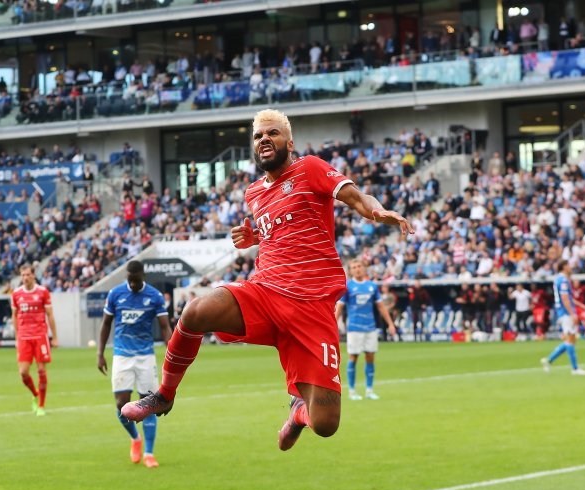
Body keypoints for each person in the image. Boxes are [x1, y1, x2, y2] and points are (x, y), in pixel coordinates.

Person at [121, 108, 412, 451]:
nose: (264, 140)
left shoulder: (310, 168)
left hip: (312, 307)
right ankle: (165, 395)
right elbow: (283, 228)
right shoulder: (254, 193)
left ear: (290, 142)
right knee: (196, 310)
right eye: (258, 136)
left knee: (326, 424)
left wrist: (375, 211)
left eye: (272, 133)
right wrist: (254, 236)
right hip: (266, 293)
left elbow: (355, 197)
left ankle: (299, 412)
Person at [97, 261, 173, 468]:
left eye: (136, 280)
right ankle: (135, 439)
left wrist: (172, 349)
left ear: (143, 277)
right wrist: (100, 353)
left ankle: (149, 452)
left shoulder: (155, 296)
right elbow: (106, 324)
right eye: (130, 279)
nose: (133, 283)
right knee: (122, 406)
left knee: (147, 404)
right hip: (121, 355)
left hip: (145, 356)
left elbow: (165, 326)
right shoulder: (115, 294)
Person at [335, 259, 397, 401]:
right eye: (354, 267)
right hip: (354, 328)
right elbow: (340, 308)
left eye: (359, 266)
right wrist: (333, 325)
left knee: (370, 357)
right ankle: (352, 391)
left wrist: (390, 324)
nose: (357, 269)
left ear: (364, 268)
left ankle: (369, 390)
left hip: (370, 327)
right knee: (353, 357)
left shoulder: (372, 286)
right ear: (350, 271)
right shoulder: (348, 287)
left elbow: (381, 306)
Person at [11, 265, 58, 416]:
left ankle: (41, 406)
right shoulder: (16, 294)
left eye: (28, 275)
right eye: (23, 275)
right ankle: (35, 394)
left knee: (41, 370)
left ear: (33, 276)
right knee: (23, 372)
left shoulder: (43, 292)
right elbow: (15, 315)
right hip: (24, 337)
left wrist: (55, 336)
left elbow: (50, 314)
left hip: (40, 336)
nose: (25, 278)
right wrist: (17, 336)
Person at [541, 260, 585, 375]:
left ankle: (549, 360)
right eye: (568, 265)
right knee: (570, 339)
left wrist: (580, 305)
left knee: (572, 339)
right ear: (563, 267)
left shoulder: (559, 279)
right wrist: (572, 314)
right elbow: (565, 298)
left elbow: (568, 298)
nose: (570, 267)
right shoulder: (563, 280)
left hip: (563, 311)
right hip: (565, 312)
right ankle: (575, 369)